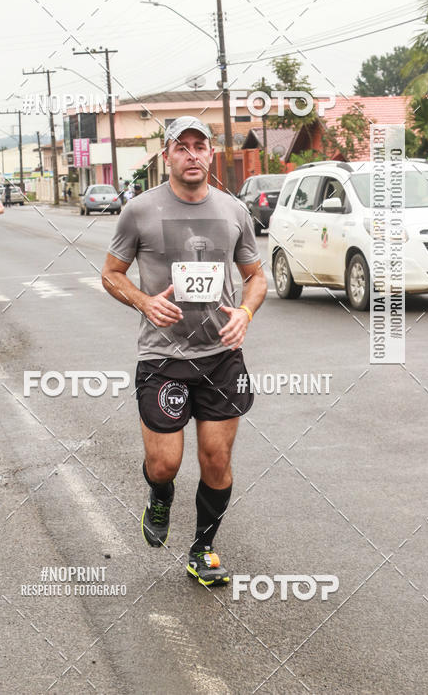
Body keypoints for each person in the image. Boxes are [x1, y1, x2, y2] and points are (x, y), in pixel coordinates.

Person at [101, 116, 267, 587]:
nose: (192, 154)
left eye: (200, 146)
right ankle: (159, 495)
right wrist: (144, 300)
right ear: (167, 155)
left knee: (216, 458)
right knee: (165, 464)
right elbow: (111, 273)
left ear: (211, 154)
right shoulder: (139, 211)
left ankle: (204, 549)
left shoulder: (233, 211)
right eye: (182, 147)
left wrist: (246, 314)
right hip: (162, 359)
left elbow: (256, 276)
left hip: (221, 356)